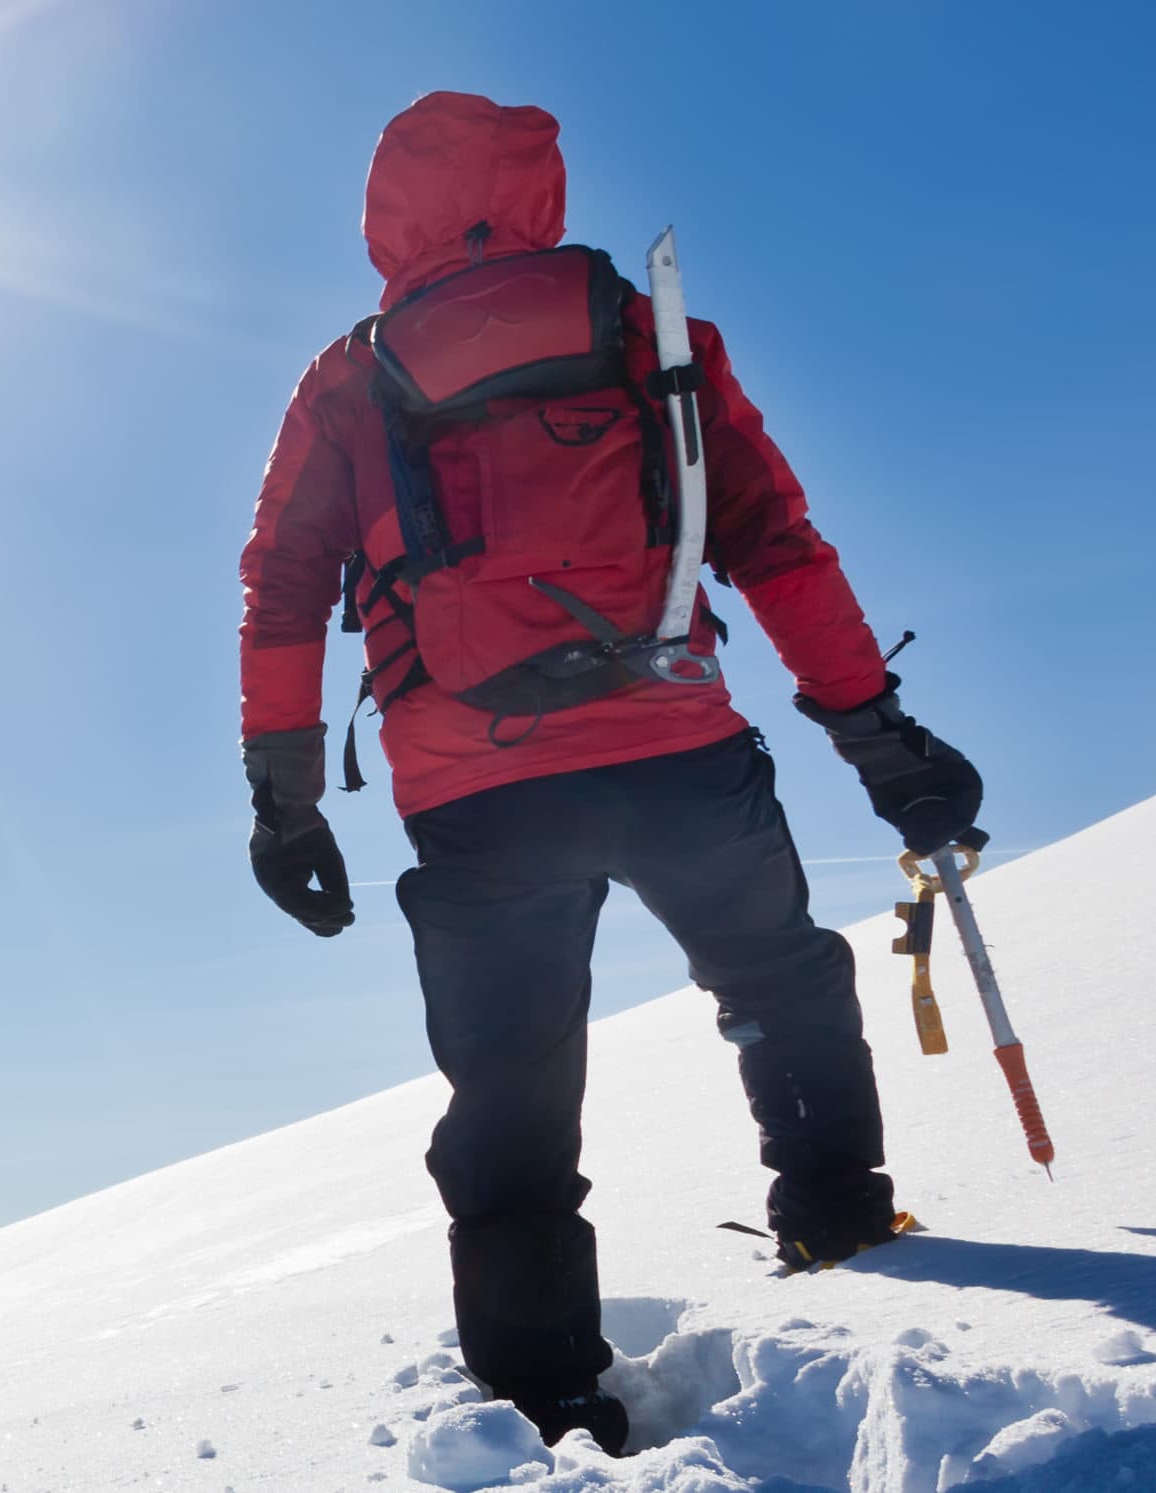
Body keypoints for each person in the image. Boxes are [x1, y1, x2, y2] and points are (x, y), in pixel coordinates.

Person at [235, 92, 983, 1456]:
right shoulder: (643, 326)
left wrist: (283, 799)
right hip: (674, 745)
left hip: (472, 787)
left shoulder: (350, 377)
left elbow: (282, 589)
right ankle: (838, 1220)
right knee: (778, 981)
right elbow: (774, 537)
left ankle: (544, 1404)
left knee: (512, 1088)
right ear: (538, 183)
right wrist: (877, 732)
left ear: (384, 211)